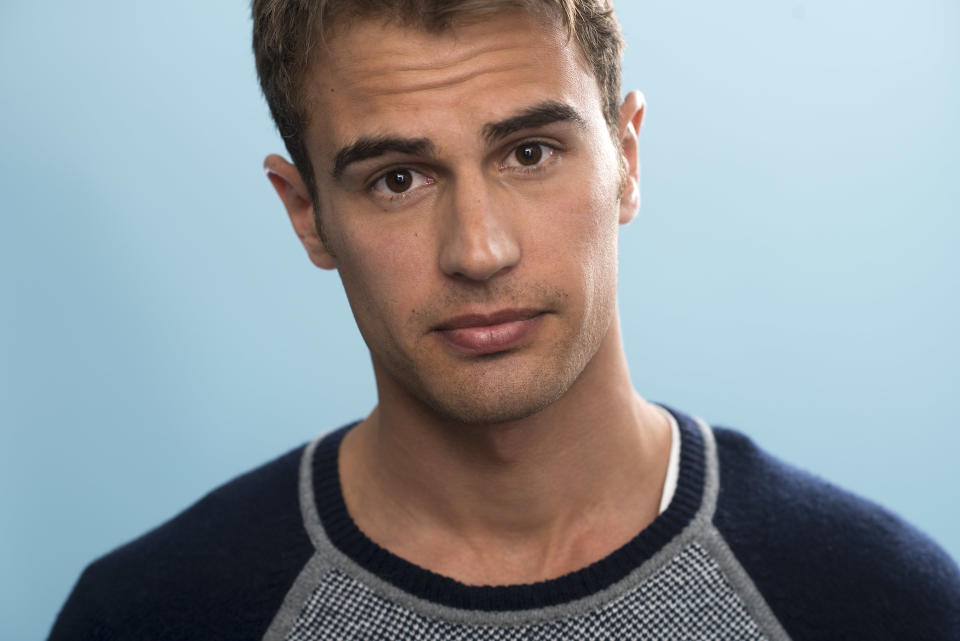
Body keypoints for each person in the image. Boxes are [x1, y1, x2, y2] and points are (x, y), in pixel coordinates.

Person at [49, 1, 960, 639]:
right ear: (306, 213)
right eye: (397, 178)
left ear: (627, 161)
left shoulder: (878, 604)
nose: (478, 250)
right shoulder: (149, 615)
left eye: (530, 152)